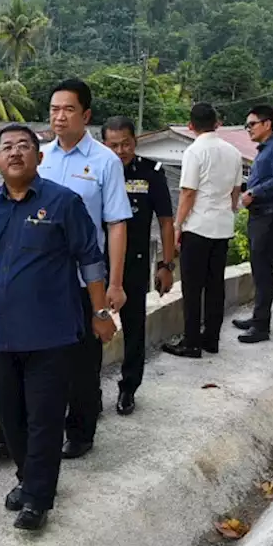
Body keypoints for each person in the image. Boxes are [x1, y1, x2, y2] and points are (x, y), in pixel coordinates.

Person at [0, 124, 113, 532]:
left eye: (25, 146)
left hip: (53, 336)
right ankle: (28, 478)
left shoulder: (64, 203)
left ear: (40, 158)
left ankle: (38, 497)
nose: (16, 152)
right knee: (12, 417)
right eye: (7, 147)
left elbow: (90, 260)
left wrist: (100, 312)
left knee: (45, 418)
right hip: (1, 337)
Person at [38, 78, 131, 459]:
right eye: (54, 109)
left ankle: (80, 431)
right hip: (42, 281)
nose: (59, 117)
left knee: (82, 361)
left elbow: (116, 223)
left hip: (84, 282)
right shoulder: (41, 158)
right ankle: (26, 432)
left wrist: (116, 283)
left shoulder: (105, 161)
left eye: (68, 109)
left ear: (86, 115)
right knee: (38, 359)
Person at [101, 116, 176, 414]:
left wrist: (167, 265)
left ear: (136, 141)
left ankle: (128, 389)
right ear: (104, 144)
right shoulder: (94, 171)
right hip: (98, 265)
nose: (121, 151)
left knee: (134, 330)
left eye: (126, 144)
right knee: (92, 331)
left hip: (135, 263)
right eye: (114, 145)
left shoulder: (151, 173)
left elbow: (166, 222)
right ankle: (88, 394)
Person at [162, 103, 243, 359]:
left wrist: (177, 225)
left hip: (198, 227)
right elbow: (236, 191)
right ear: (217, 122)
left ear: (191, 125)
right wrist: (228, 209)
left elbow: (188, 192)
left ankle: (191, 342)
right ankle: (211, 339)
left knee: (193, 287)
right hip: (222, 226)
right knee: (215, 285)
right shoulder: (233, 152)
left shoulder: (195, 151)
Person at [233, 104, 273, 344]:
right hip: (259, 215)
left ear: (267, 124)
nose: (249, 129)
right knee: (258, 269)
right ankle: (258, 316)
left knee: (264, 270)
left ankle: (261, 326)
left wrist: (254, 193)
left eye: (252, 124)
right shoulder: (265, 150)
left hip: (269, 215)